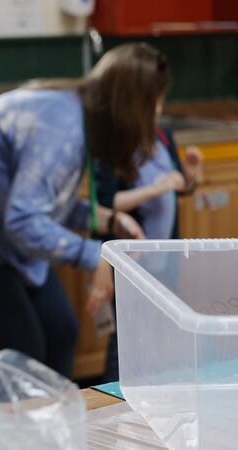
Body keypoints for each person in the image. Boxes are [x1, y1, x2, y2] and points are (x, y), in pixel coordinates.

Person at [0, 42, 169, 407]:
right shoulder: (63, 128)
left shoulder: (78, 115)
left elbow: (44, 205)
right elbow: (23, 220)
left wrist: (108, 219)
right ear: (134, 104)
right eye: (156, 103)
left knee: (61, 331)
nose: (159, 114)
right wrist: (96, 255)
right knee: (25, 351)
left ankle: (47, 427)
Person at [95, 125, 203, 382]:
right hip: (131, 257)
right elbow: (105, 204)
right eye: (153, 100)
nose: (157, 108)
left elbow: (176, 185)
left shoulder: (164, 134)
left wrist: (190, 178)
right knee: (127, 335)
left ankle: (154, 389)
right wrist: (154, 190)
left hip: (166, 254)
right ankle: (117, 396)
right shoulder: (112, 140)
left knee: (161, 331)